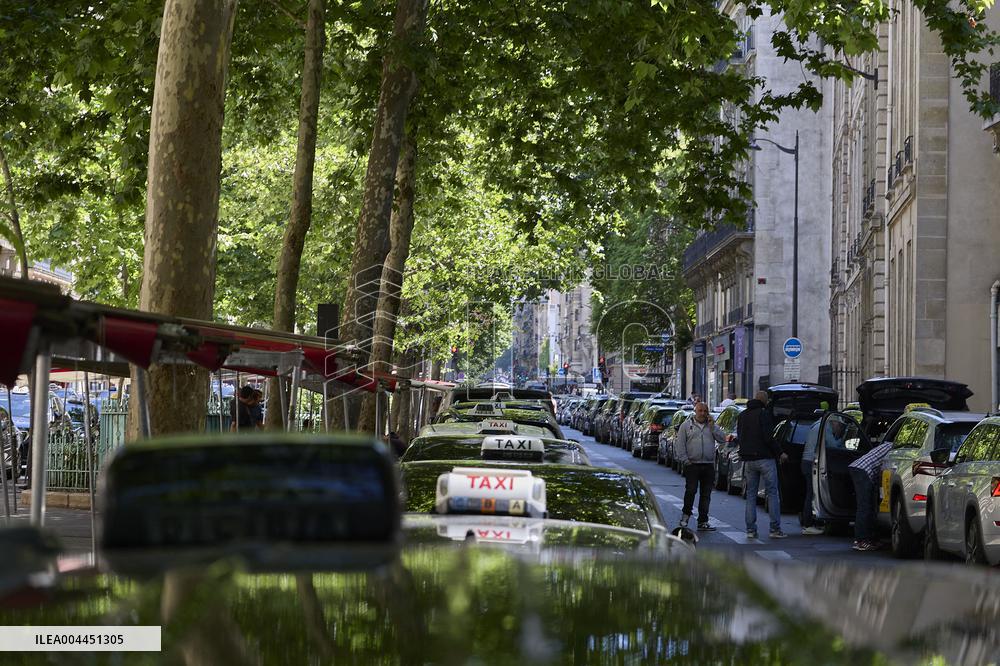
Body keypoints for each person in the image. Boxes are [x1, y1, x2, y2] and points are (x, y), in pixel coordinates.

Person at [737, 390, 787, 539]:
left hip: (749, 460)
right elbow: (768, 437)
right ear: (765, 401)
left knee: (751, 495)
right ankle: (775, 529)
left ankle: (750, 530)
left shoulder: (742, 415)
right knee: (772, 493)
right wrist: (780, 453)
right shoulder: (763, 414)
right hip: (765, 458)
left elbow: (740, 436)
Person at [675, 401, 731, 531]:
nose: (703, 413)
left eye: (705, 411)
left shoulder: (711, 426)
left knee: (706, 495)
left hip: (708, 465)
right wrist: (685, 460)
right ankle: (685, 516)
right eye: (700, 411)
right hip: (692, 464)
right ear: (695, 411)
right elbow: (680, 445)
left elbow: (722, 439)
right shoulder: (686, 426)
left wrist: (713, 427)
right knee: (691, 491)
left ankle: (703, 521)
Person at [848, 434, 892, 552]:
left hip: (858, 467)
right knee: (864, 507)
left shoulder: (884, 445)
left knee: (867, 506)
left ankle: (868, 539)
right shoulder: (892, 449)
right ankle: (860, 541)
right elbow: (886, 468)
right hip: (863, 471)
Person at [799, 400, 830, 535]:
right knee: (811, 493)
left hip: (805, 461)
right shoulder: (824, 427)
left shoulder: (815, 425)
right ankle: (808, 524)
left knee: (810, 493)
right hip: (812, 462)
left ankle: (809, 521)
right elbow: (832, 443)